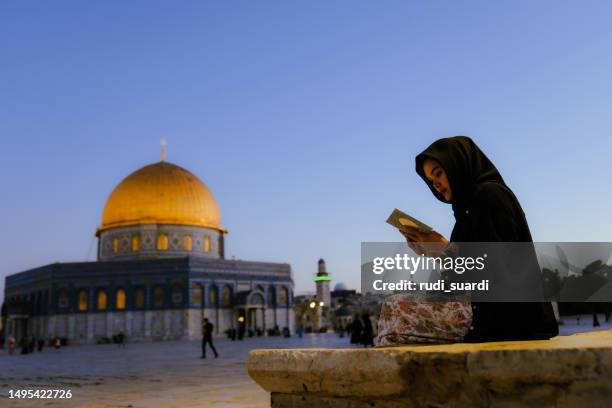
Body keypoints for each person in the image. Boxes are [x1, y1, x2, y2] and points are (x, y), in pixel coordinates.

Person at [377, 136, 558, 345]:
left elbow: (494, 271)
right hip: (489, 313)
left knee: (397, 309)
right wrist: (435, 252)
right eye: (432, 181)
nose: (436, 185)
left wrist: (444, 249)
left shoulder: (490, 196)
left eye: (439, 174)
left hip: (512, 318)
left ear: (457, 165)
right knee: (397, 311)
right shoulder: (466, 211)